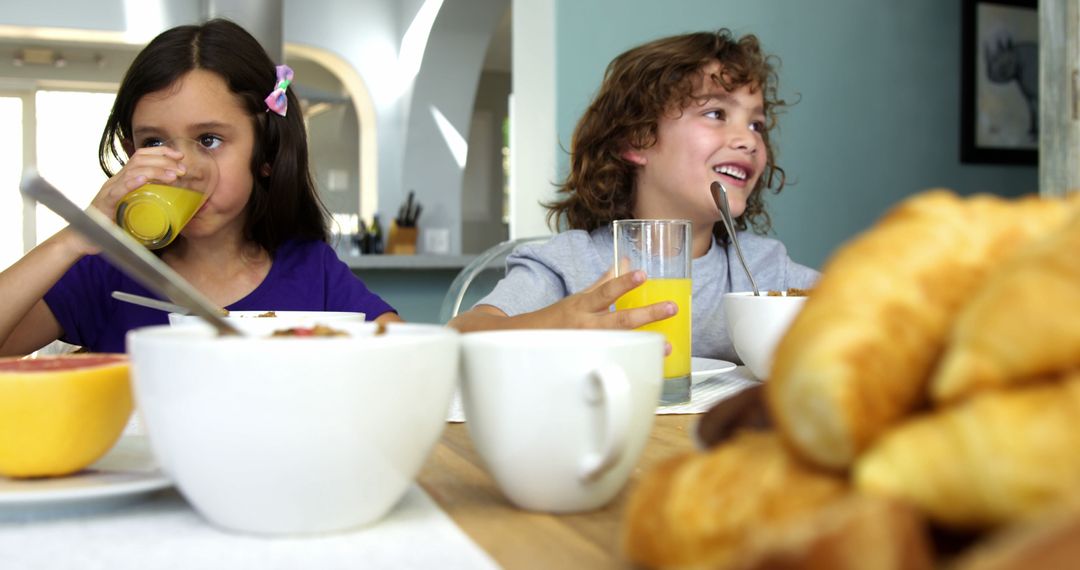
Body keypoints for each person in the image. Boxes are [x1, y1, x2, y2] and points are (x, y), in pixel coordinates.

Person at [0, 19, 400, 356]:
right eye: (154, 143)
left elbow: (399, 350)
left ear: (266, 152)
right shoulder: (108, 273)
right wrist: (73, 238)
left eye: (209, 139)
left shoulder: (311, 270)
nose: (182, 169)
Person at [449, 29, 818, 363]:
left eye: (757, 124)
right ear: (637, 139)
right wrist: (551, 324)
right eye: (716, 113)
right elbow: (459, 336)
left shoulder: (765, 269)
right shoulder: (571, 265)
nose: (749, 140)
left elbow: (864, 308)